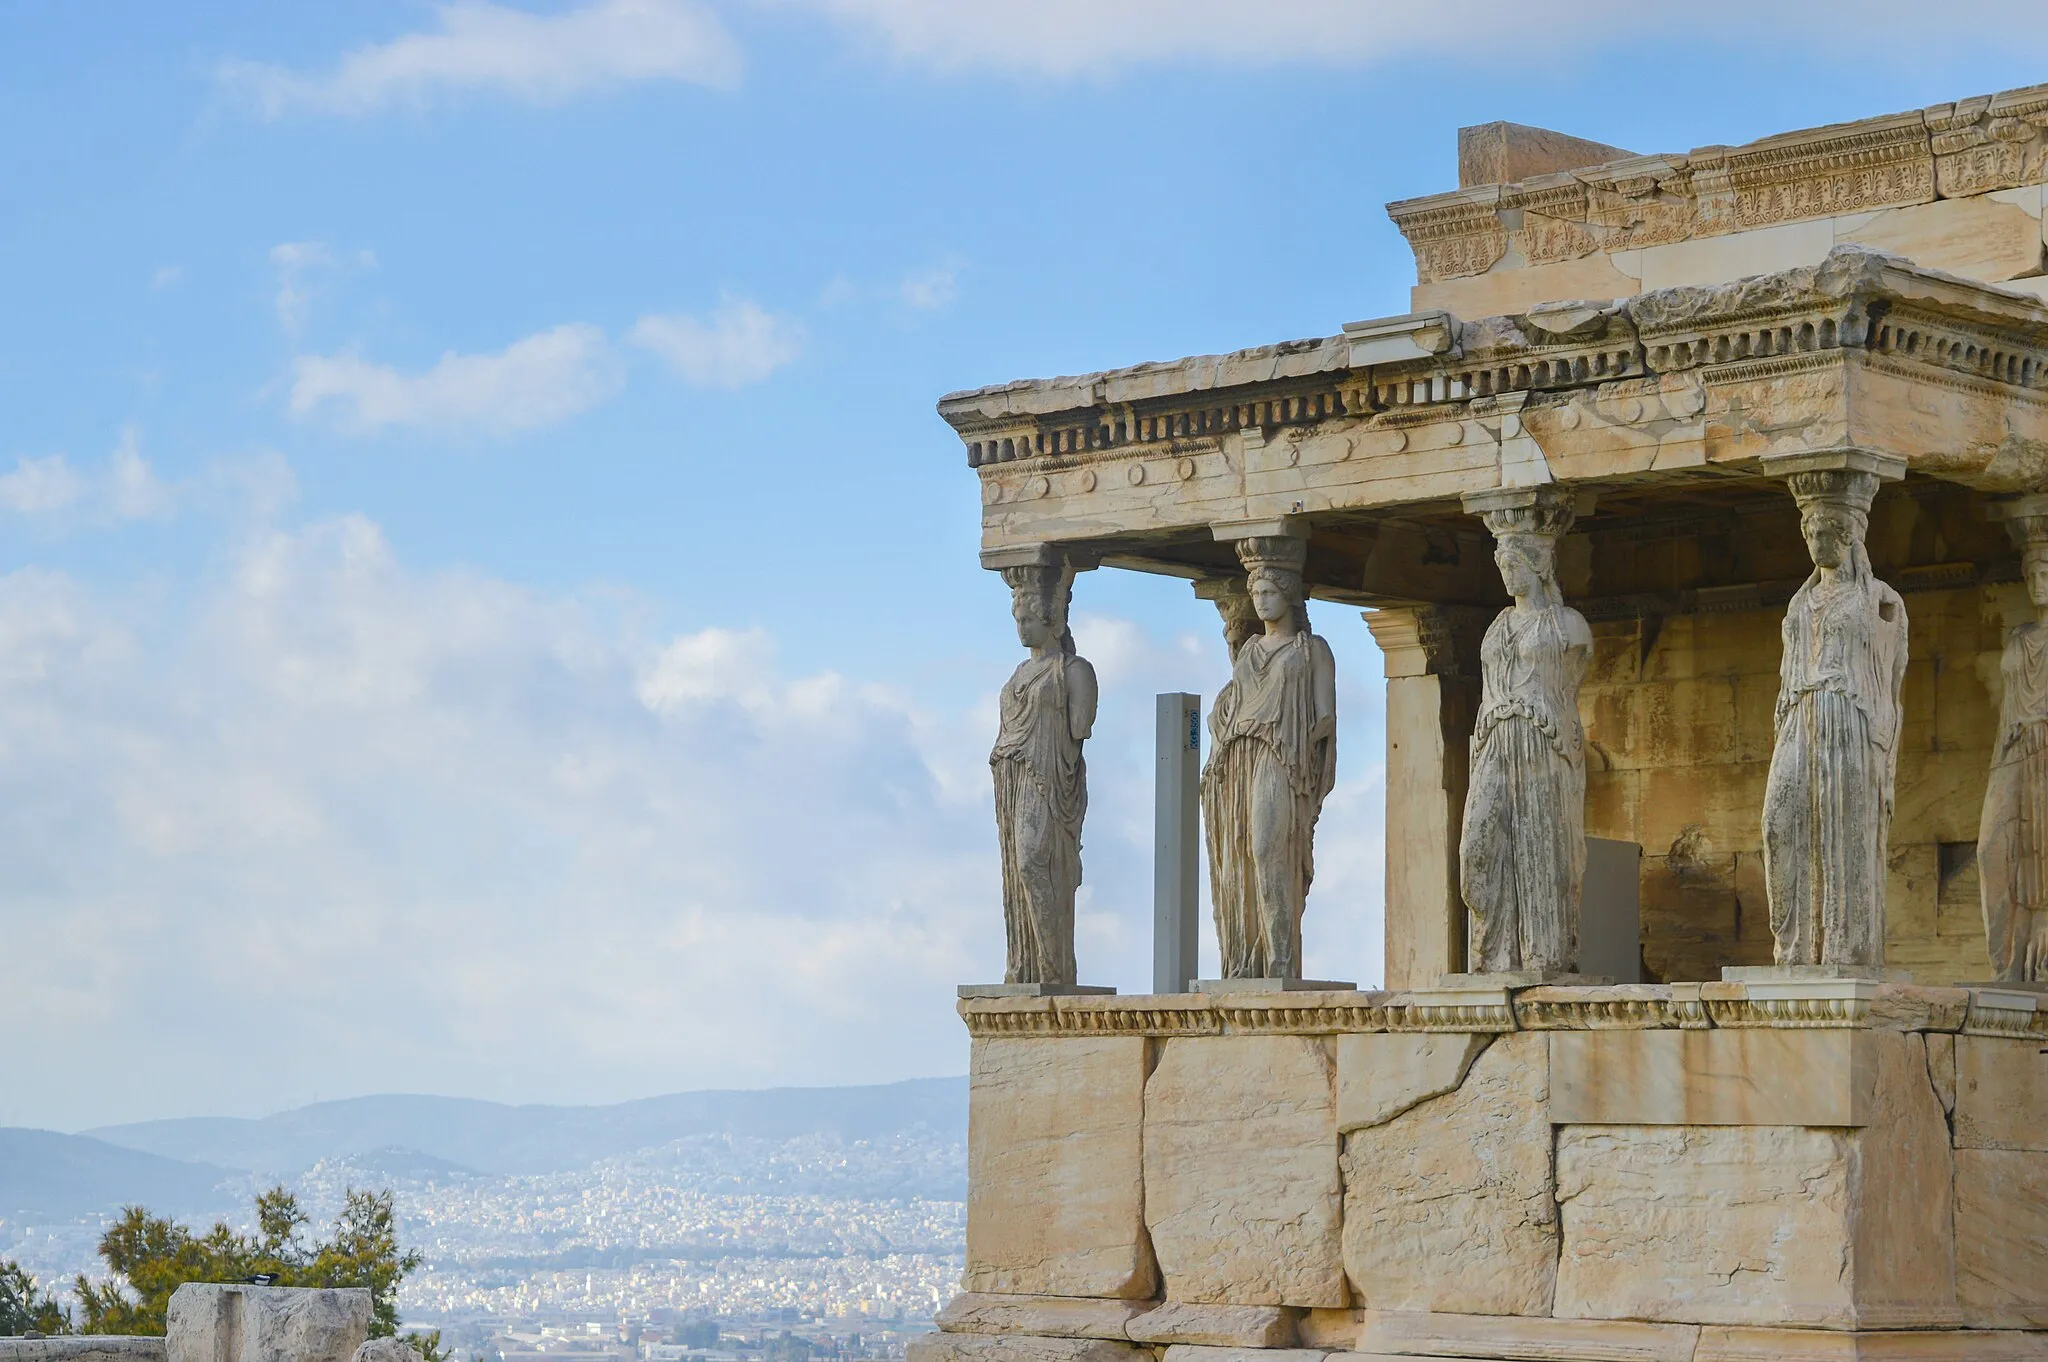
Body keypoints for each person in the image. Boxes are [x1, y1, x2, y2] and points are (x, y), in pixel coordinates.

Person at [1762, 468, 1907, 967]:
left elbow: (1892, 679)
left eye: (1825, 534)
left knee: (1844, 830)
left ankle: (1843, 948)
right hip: (1799, 716)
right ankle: (1794, 946)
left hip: (1850, 719)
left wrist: (1883, 750)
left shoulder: (1880, 601)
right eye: (1811, 534)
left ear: (1848, 537)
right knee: (1778, 821)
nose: (1816, 543)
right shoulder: (1799, 602)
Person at [1459, 498, 1593, 974]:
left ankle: (1544, 954)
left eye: (1514, 564)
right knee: (1477, 852)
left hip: (1543, 744)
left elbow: (1568, 684)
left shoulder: (1568, 627)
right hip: (1494, 743)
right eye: (1501, 565)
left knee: (1542, 850)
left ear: (1537, 566)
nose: (1507, 575)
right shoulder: (1495, 629)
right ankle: (1494, 953)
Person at [1201, 537, 1336, 979]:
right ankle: (1249, 960)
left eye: (1269, 593)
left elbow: (1325, 717)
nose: (1260, 601)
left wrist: (1313, 758)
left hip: (1282, 757)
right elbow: (1231, 703)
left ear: (1289, 596)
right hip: (1239, 757)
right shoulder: (1248, 653)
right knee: (1240, 853)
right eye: (1256, 593)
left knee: (1267, 847)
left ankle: (1281, 957)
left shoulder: (1311, 650)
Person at [990, 562, 1097, 986]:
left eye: (1029, 619)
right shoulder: (1017, 675)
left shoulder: (1075, 671)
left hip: (1050, 780)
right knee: (1017, 868)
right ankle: (1027, 964)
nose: (1021, 629)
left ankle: (1056, 966)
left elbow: (1080, 726)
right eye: (1017, 620)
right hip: (1013, 778)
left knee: (1036, 859)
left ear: (1052, 620)